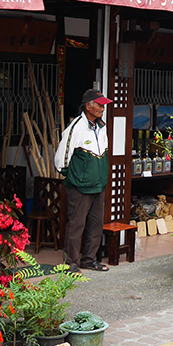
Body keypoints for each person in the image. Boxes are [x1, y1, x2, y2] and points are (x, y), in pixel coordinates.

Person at [55, 87, 112, 273]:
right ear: (88, 106)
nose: (103, 108)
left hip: (98, 184)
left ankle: (89, 259)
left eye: (104, 105)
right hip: (79, 186)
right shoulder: (76, 127)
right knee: (76, 224)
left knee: (96, 224)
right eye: (99, 105)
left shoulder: (101, 127)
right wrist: (74, 176)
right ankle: (70, 262)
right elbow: (61, 157)